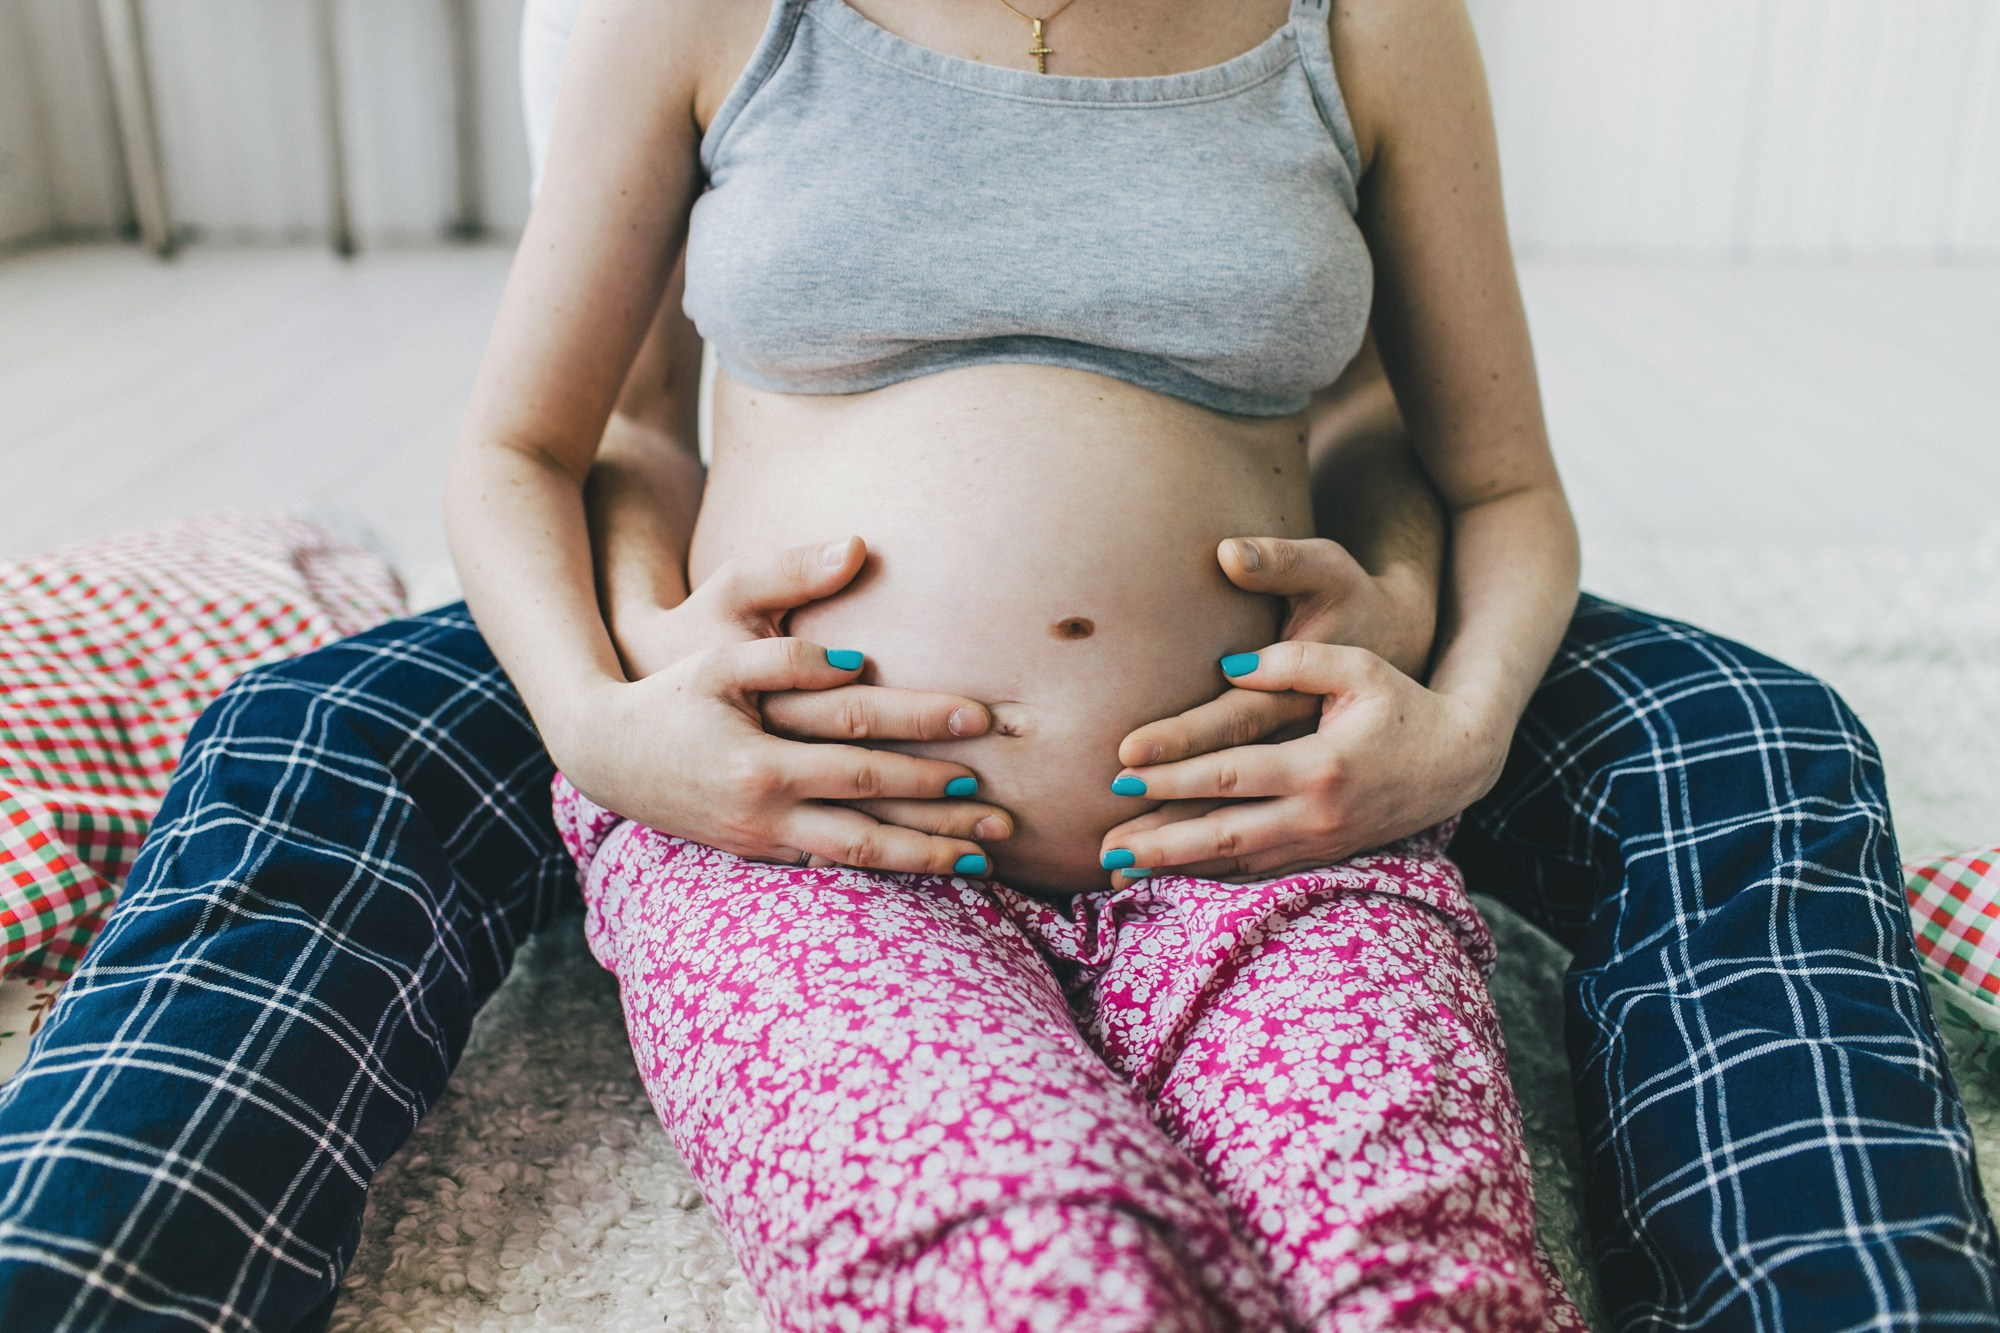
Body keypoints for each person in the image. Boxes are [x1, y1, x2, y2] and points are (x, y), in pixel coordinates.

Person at [0, 1, 1991, 1329]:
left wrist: (1434, 697)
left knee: (1437, 1228)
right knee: (1035, 1265)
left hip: (1273, 798)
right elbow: (570, 438)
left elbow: (1464, 460)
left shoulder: (1361, 21)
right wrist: (615, 720)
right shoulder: (710, 16)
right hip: (787, 787)